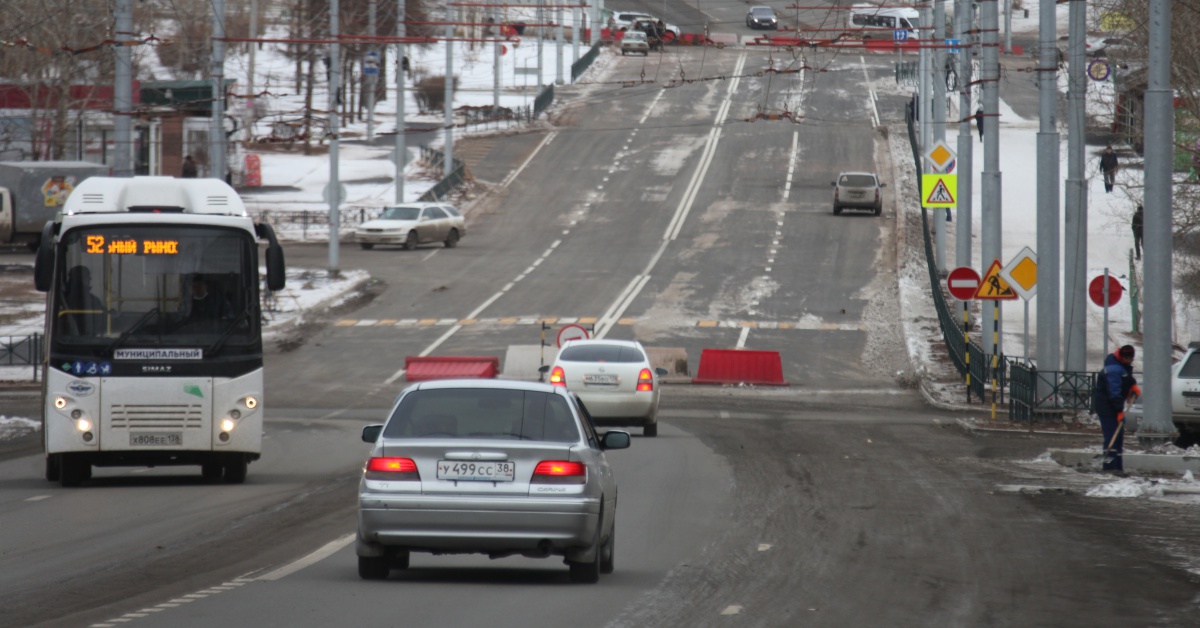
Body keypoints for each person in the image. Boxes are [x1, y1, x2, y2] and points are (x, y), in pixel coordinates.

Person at [1092, 345, 1140, 475]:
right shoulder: (1113, 369)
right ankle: (1109, 468)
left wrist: (1133, 385)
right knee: (1112, 436)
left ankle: (1117, 468)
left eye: (1130, 358)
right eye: (1126, 358)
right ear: (1121, 356)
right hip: (1107, 407)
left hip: (1113, 406)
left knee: (1117, 437)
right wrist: (1119, 411)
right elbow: (1114, 393)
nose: (1129, 360)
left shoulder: (1120, 366)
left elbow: (1126, 378)